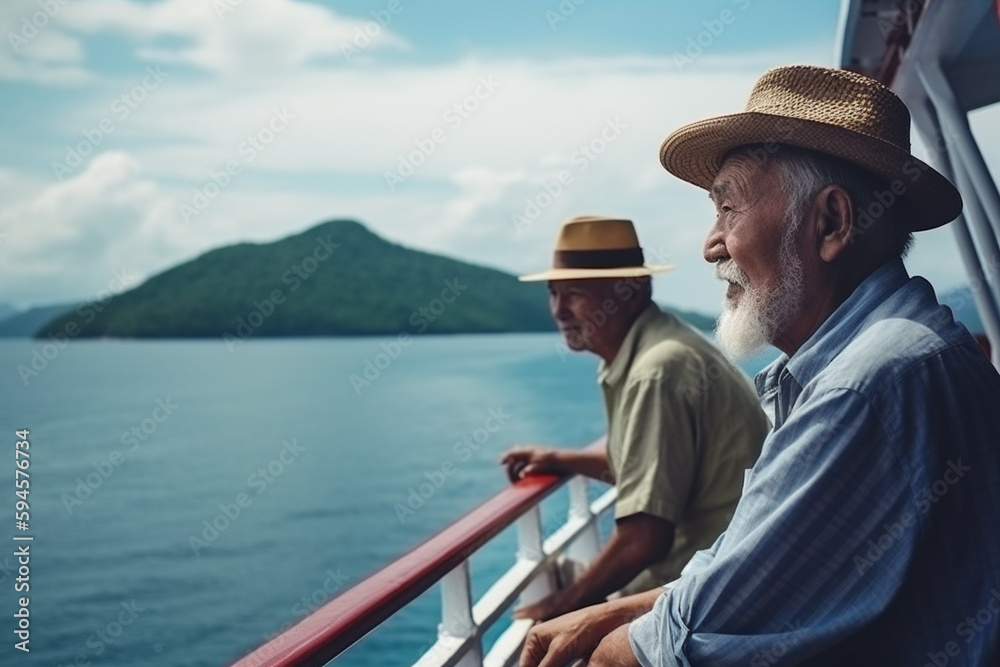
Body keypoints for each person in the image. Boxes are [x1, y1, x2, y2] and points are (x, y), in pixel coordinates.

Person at [520, 65, 1000, 666]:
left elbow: (656, 654)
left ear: (830, 223)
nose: (710, 244)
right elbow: (742, 573)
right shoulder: (894, 351)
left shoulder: (866, 387)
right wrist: (612, 611)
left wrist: (605, 635)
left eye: (728, 209)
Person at [501, 215, 769, 622]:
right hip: (736, 577)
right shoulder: (664, 344)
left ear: (631, 290)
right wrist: (563, 459)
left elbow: (644, 540)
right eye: (553, 293)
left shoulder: (656, 370)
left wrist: (557, 611)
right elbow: (652, 468)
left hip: (701, 599)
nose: (559, 311)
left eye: (575, 293)